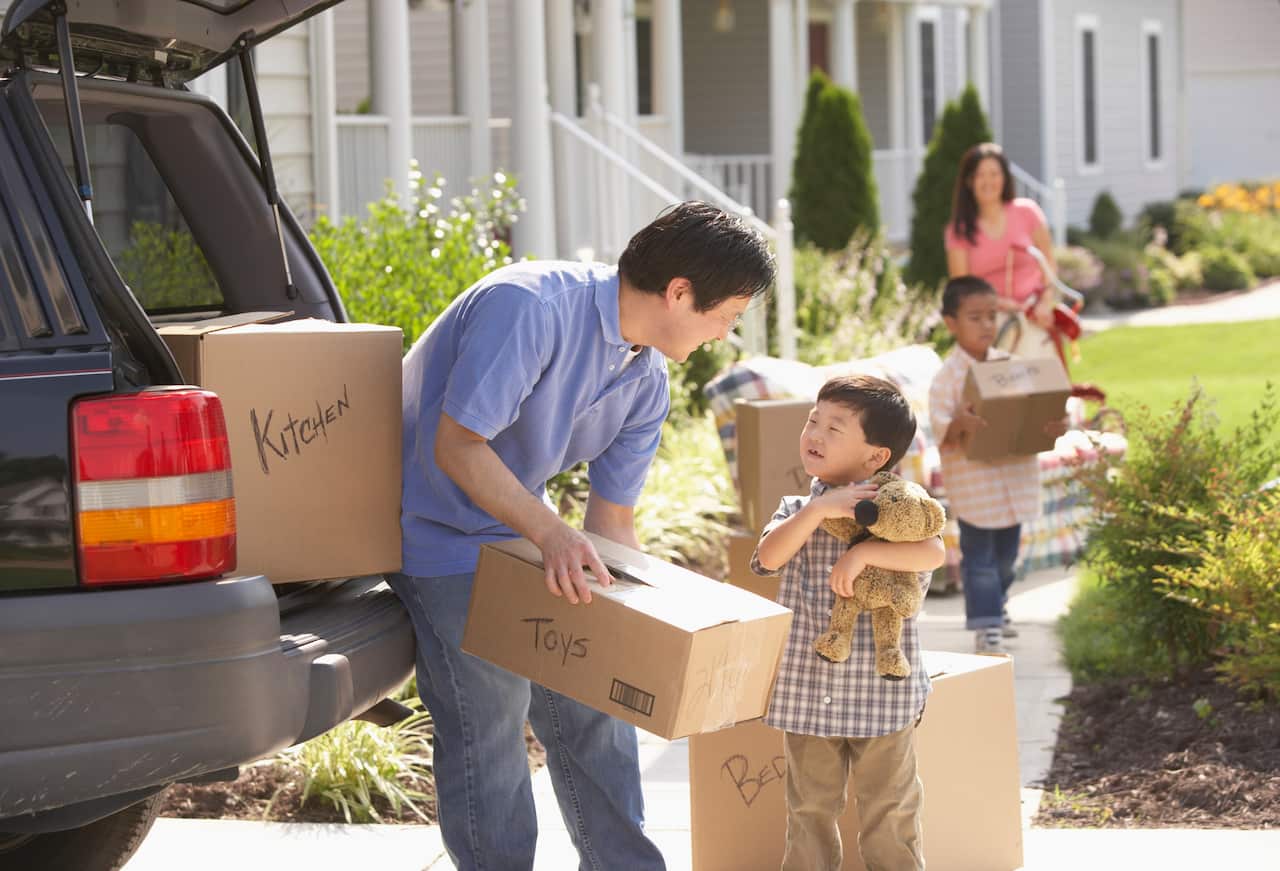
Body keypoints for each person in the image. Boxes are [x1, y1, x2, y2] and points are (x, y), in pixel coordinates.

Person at [388, 201, 774, 871]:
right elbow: (457, 447)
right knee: (492, 724)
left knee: (601, 695)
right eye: (727, 315)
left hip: (518, 527)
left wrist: (647, 625)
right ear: (679, 292)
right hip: (434, 525)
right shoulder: (530, 307)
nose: (724, 333)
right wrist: (552, 536)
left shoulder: (646, 378)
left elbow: (611, 522)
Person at [750, 374, 945, 871]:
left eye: (835, 427)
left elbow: (936, 550)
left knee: (891, 811)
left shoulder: (900, 510)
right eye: (813, 420)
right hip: (808, 693)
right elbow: (767, 558)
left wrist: (866, 555)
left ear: (876, 457)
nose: (814, 433)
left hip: (883, 693)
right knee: (810, 810)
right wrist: (817, 510)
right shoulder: (798, 510)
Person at [928, 276, 1068, 654]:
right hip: (975, 486)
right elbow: (940, 426)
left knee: (1007, 559)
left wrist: (1055, 422)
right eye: (975, 317)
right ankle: (986, 624)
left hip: (1015, 481)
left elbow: (1037, 411)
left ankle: (998, 606)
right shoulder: (946, 378)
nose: (987, 325)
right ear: (951, 323)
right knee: (981, 561)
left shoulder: (1015, 368)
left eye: (992, 316)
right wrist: (960, 421)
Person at [945, 142, 1058, 339]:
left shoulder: (1028, 212)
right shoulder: (959, 230)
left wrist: (1045, 303)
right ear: (969, 181)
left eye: (994, 174)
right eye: (980, 175)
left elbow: (1048, 264)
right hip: (988, 325)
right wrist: (999, 304)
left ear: (1005, 178)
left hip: (1035, 317)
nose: (988, 181)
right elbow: (961, 289)